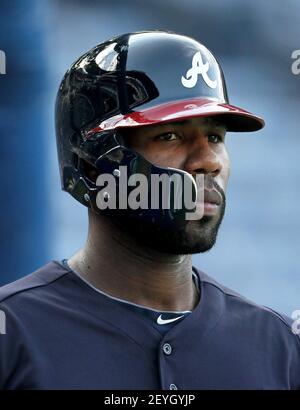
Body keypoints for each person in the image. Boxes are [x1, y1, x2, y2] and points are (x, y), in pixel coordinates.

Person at [0, 31, 299, 390]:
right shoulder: (13, 334)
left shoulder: (280, 348)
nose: (208, 161)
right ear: (93, 167)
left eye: (216, 137)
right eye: (170, 135)